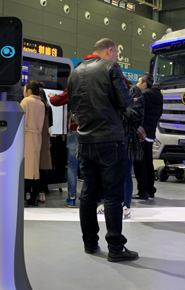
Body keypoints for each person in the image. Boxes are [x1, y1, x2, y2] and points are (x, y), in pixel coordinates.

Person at [68, 38, 138, 262]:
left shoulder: (75, 71)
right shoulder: (110, 68)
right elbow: (126, 102)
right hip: (109, 140)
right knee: (113, 196)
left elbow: (72, 106)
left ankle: (90, 244)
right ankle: (116, 248)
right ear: (110, 51)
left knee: (88, 195)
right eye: (116, 54)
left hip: (85, 141)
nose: (116, 58)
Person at [132, 74, 163, 200]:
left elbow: (139, 112)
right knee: (149, 163)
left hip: (141, 132)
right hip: (151, 133)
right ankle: (151, 190)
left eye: (139, 82)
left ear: (145, 84)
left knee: (140, 163)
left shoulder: (143, 95)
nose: (137, 84)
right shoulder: (159, 96)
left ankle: (142, 191)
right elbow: (159, 113)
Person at [49, 89, 80, 207]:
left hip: (74, 130)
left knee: (72, 167)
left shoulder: (75, 87)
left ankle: (71, 199)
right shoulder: (95, 87)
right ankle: (90, 198)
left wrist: (52, 96)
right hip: (91, 131)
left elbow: (56, 101)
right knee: (88, 167)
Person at [123, 80, 145, 219]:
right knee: (116, 175)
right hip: (117, 138)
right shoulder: (117, 92)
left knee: (125, 174)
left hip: (128, 138)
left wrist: (121, 109)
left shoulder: (133, 91)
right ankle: (116, 204)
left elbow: (136, 115)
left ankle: (126, 206)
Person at [21, 81, 45, 207]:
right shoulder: (41, 104)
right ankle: (34, 197)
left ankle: (23, 197)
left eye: (24, 89)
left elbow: (20, 120)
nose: (23, 91)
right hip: (37, 136)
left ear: (29, 91)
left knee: (26, 167)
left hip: (26, 135)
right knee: (35, 168)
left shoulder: (25, 102)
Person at [38, 88, 53, 202]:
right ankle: (43, 191)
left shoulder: (34, 106)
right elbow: (50, 126)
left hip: (35, 137)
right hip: (45, 139)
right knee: (43, 166)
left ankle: (30, 191)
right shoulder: (48, 107)